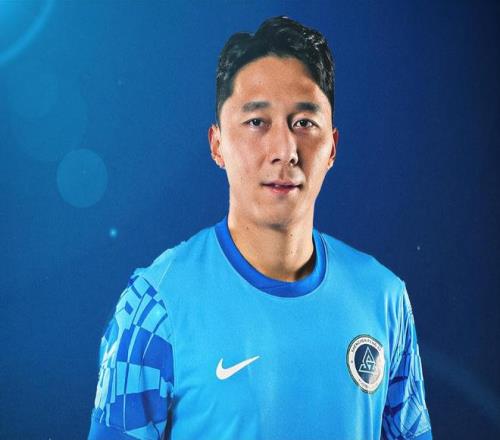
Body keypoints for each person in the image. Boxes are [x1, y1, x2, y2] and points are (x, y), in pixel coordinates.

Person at [88, 15, 432, 440]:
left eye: (303, 123)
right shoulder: (155, 307)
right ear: (217, 144)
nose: (284, 150)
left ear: (332, 148)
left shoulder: (384, 299)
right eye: (257, 122)